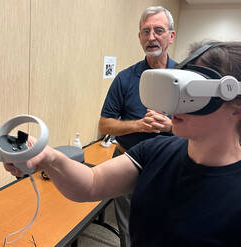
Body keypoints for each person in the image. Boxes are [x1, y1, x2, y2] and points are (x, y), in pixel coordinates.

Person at [5, 41, 241, 246]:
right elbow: (91, 184)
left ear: (236, 106)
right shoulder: (156, 151)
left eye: (193, 95)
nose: (176, 105)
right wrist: (48, 157)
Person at [98, 6, 176, 246]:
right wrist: (139, 125)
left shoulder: (187, 77)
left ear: (171, 36)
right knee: (130, 234)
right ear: (140, 37)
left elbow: (203, 127)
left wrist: (171, 126)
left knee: (167, 229)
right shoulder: (125, 78)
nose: (151, 37)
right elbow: (105, 124)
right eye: (146, 31)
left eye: (158, 30)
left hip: (170, 169)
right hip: (128, 166)